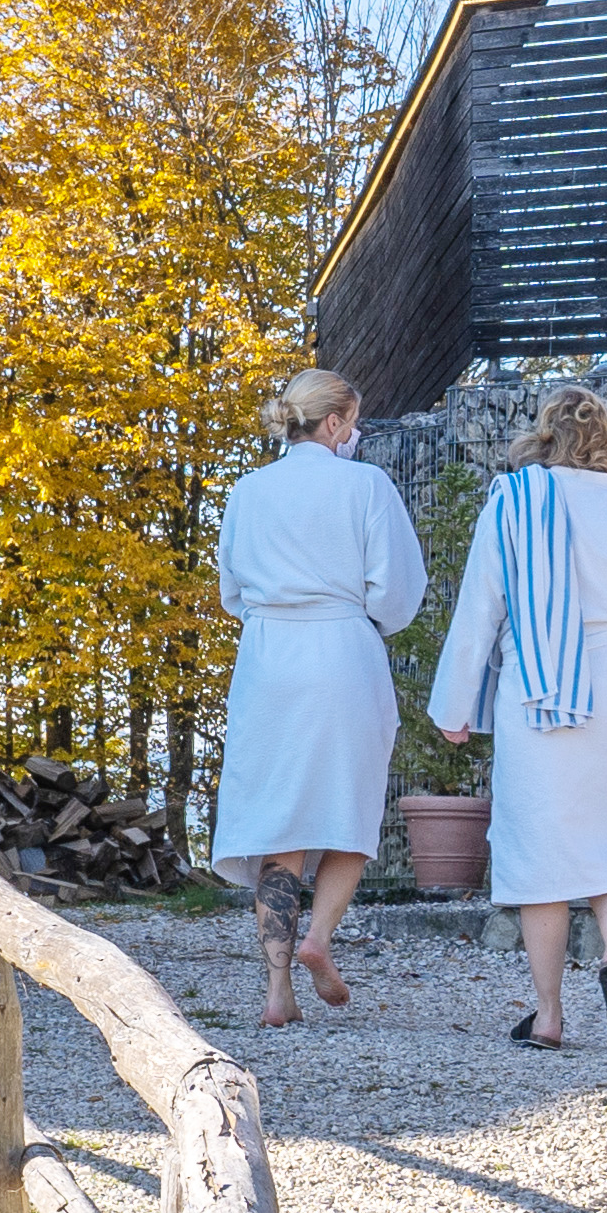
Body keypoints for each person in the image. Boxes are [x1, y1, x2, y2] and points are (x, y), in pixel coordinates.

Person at [424, 383, 607, 1047]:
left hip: (536, 689)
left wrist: (454, 705)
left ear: (544, 437)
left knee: (535, 850)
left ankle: (548, 1015)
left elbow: (478, 611)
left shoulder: (511, 510)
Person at [211, 367, 426, 1027]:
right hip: (341, 654)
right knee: (349, 806)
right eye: (352, 422)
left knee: (279, 817)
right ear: (334, 423)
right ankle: (318, 939)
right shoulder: (366, 485)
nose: (354, 434)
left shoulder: (248, 491)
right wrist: (363, 617)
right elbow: (396, 588)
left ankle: (278, 992)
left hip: (270, 659)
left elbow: (231, 591)